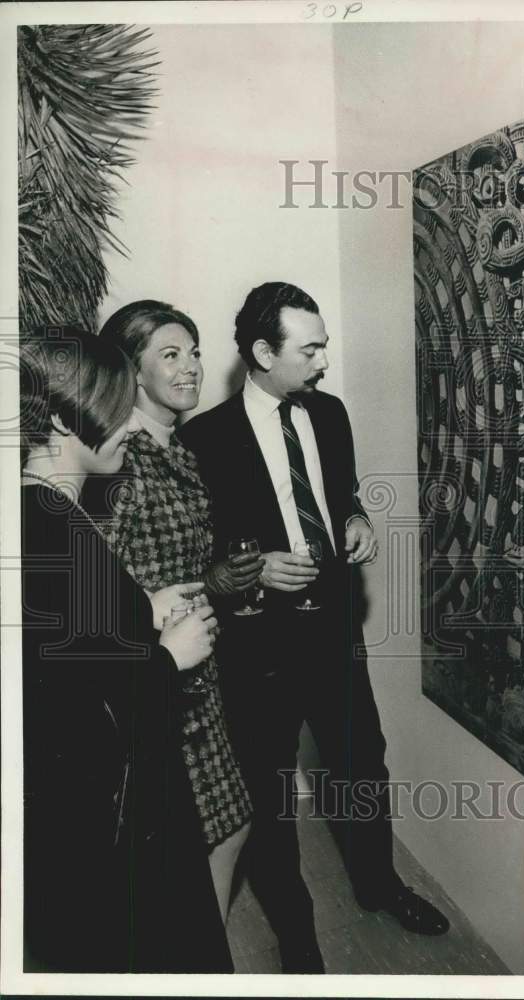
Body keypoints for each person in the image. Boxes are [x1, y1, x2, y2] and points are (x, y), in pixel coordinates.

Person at [180, 282, 450, 974]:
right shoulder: (201, 439)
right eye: (311, 348)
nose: (325, 361)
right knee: (270, 794)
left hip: (333, 634)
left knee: (362, 765)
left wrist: (356, 518)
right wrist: (253, 569)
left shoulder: (328, 413)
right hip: (256, 649)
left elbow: (341, 494)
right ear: (263, 353)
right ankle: (297, 932)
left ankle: (379, 884)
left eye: (323, 345)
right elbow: (191, 557)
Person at [20, 328, 231, 972]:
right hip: (101, 825)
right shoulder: (56, 531)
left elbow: (70, 652)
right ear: (60, 418)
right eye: (115, 407)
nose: (127, 423)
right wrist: (171, 655)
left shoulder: (41, 514)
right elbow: (77, 713)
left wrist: (142, 608)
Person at [94, 300, 262, 921]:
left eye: (193, 351)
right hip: (160, 675)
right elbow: (98, 586)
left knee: (223, 831)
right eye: (171, 355)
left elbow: (179, 567)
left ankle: (193, 956)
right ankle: (195, 963)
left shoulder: (179, 450)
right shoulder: (121, 462)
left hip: (198, 673)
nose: (191, 366)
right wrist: (154, 617)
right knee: (214, 833)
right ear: (133, 373)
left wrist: (222, 584)